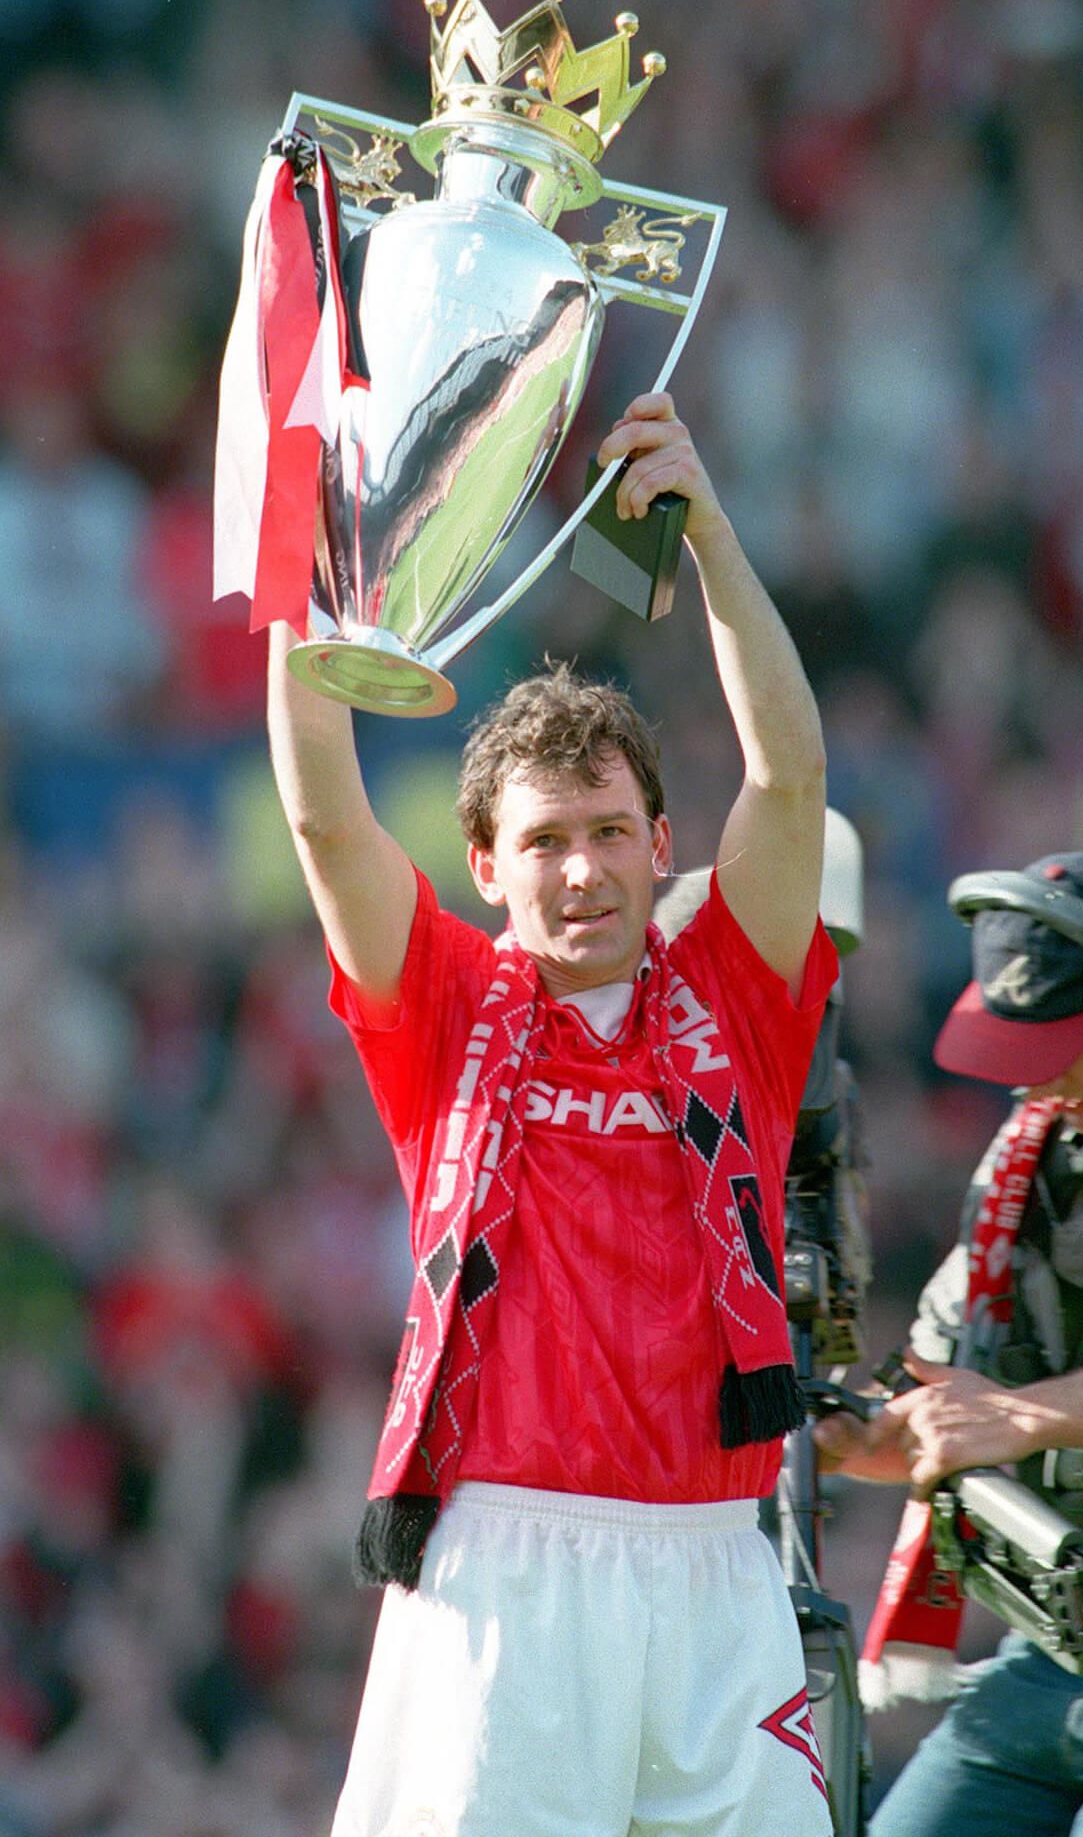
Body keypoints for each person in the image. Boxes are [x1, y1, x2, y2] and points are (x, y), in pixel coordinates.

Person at [267, 391, 838, 1837]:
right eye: (541, 843)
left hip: (717, 1568)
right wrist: (316, 585)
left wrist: (705, 532)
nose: (578, 872)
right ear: (482, 865)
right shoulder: (445, 1006)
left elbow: (787, 778)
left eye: (604, 834)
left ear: (659, 845)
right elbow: (326, 817)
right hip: (506, 1575)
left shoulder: (736, 991)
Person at [814, 852, 1083, 1837]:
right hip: (1054, 1656)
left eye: (1068, 1039)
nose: (1042, 1073)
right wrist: (834, 1426)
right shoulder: (1021, 1159)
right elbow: (942, 1386)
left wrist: (1019, 1416)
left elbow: (1000, 1413)